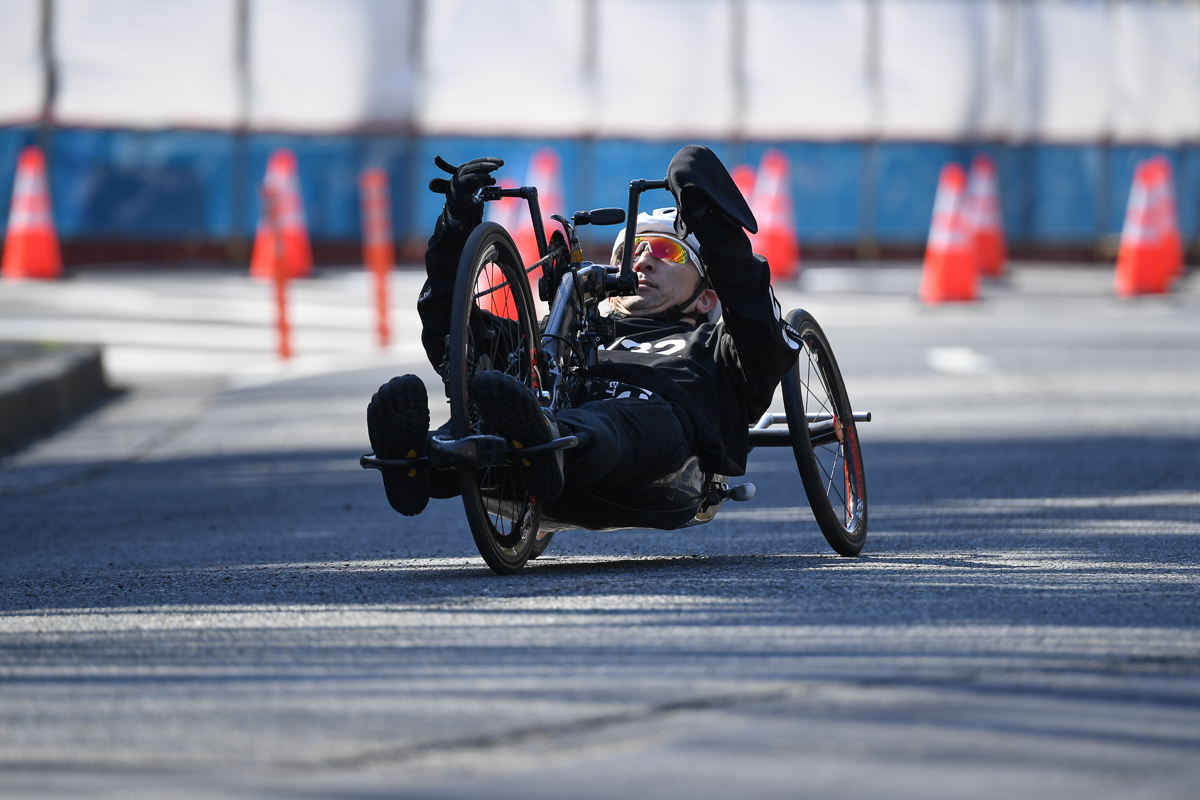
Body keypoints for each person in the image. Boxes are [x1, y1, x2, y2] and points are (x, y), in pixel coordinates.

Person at [367, 145, 799, 519]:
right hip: (538, 453)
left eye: (667, 252)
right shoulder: (564, 338)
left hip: (656, 458)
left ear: (706, 296)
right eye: (631, 250)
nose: (643, 260)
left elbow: (757, 319)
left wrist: (709, 219)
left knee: (621, 417)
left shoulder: (718, 346)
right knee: (492, 378)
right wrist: (458, 223)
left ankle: (544, 440)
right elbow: (453, 337)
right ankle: (419, 461)